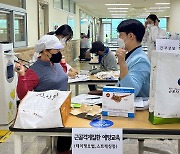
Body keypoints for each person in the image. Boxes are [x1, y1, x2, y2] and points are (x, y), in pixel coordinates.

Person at [16, 35, 72, 154]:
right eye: (56, 50)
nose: (59, 53)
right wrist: (22, 76)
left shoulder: (55, 63)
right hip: (48, 110)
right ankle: (62, 151)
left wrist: (63, 65)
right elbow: (23, 96)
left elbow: (60, 77)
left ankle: (63, 149)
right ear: (45, 51)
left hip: (63, 106)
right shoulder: (34, 71)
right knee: (70, 128)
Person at [116, 19, 150, 97]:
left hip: (136, 107)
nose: (118, 38)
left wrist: (122, 63)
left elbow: (130, 91)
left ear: (131, 36)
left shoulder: (141, 60)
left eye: (120, 34)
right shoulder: (132, 56)